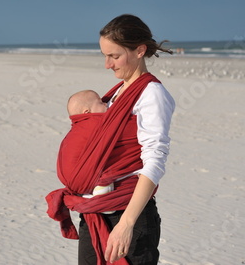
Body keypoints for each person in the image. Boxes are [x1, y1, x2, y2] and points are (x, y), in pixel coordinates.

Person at [46, 14, 175, 265]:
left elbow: (154, 162)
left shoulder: (152, 95)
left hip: (128, 216)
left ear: (140, 50)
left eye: (114, 56)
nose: (107, 64)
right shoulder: (116, 93)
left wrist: (126, 224)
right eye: (104, 56)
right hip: (95, 213)